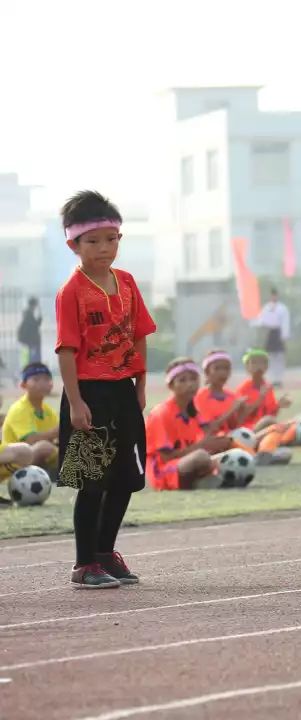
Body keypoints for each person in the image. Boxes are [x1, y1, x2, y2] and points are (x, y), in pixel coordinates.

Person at [55, 190, 156, 588]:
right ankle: (84, 564)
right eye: (93, 240)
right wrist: (76, 402)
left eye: (111, 238)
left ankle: (104, 553)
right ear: (73, 244)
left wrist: (142, 382)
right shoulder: (71, 292)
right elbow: (66, 350)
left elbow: (141, 333)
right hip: (90, 394)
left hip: (123, 391)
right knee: (92, 481)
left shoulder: (127, 283)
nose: (104, 248)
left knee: (127, 479)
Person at [145, 358, 233, 490]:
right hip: (164, 472)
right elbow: (166, 457)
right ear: (171, 385)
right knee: (201, 457)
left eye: (193, 379)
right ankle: (206, 480)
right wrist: (203, 446)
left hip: (188, 462)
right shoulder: (160, 413)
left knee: (231, 455)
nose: (190, 384)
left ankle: (201, 482)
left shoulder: (194, 413)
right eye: (182, 380)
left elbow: (208, 436)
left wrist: (219, 443)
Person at [233, 348, 294, 465]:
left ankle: (266, 452)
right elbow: (241, 417)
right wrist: (259, 399)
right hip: (248, 431)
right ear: (247, 367)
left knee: (293, 423)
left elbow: (270, 413)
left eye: (262, 363)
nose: (259, 366)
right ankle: (264, 452)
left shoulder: (267, 386)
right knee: (271, 423)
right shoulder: (243, 389)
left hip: (265, 428)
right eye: (254, 363)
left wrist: (279, 406)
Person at [1, 363, 60, 480]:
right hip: (13, 462)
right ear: (23, 385)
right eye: (36, 379)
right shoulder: (19, 408)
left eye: (46, 379)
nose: (42, 383)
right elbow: (29, 440)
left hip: (33, 458)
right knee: (44, 448)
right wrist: (56, 432)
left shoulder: (48, 410)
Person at [194, 350, 248, 438]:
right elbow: (210, 429)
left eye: (226, 368)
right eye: (217, 368)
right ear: (207, 372)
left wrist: (241, 412)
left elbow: (235, 427)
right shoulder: (200, 397)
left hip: (230, 439)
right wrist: (232, 410)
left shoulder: (232, 396)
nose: (222, 372)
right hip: (212, 443)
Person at [254, 288, 290, 387]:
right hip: (270, 332)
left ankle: (279, 379)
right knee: (270, 357)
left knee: (279, 357)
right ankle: (272, 379)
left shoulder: (282, 308)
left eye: (275, 295)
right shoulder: (266, 307)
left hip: (278, 332)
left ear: (277, 296)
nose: (274, 297)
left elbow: (285, 322)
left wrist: (284, 336)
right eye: (272, 295)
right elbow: (261, 320)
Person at [17, 298, 42, 365]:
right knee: (33, 358)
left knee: (31, 357)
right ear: (33, 305)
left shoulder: (28, 313)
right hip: (31, 340)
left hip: (30, 340)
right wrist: (39, 320)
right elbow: (34, 325)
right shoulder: (29, 314)